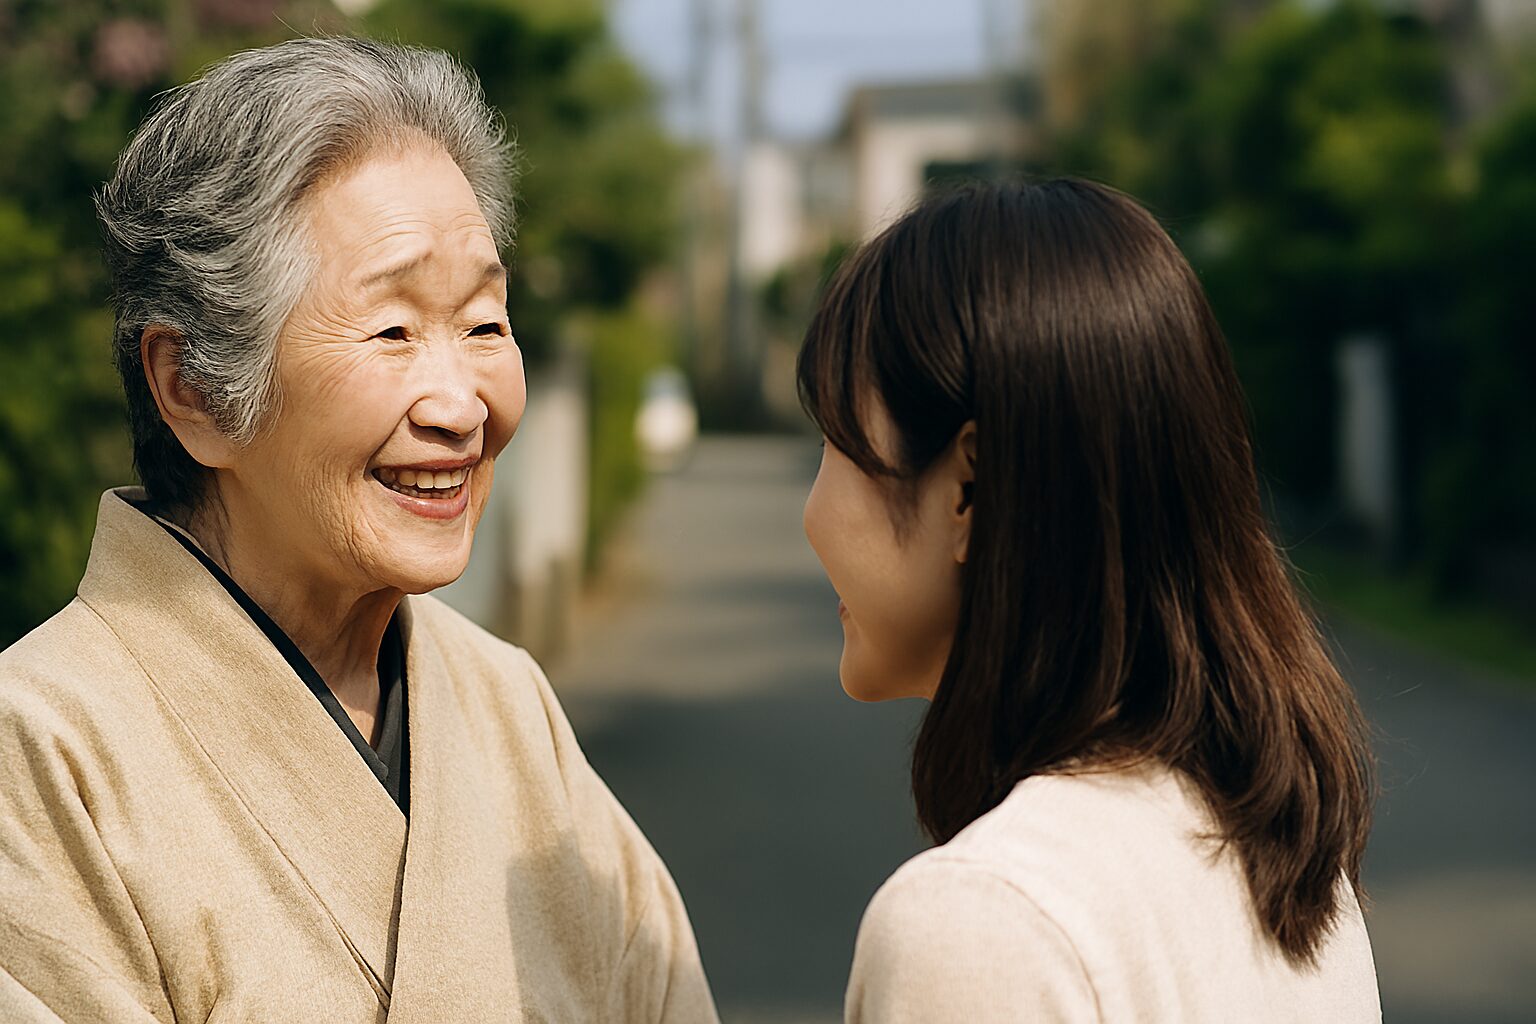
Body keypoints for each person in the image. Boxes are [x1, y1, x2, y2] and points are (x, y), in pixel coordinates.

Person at [0, 37, 717, 1023]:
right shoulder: (41, 750)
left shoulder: (507, 704)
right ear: (195, 389)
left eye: (483, 323)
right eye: (392, 330)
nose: (462, 405)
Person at [798, 179, 1381, 1022]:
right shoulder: (1293, 866)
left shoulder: (984, 921)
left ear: (969, 486)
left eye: (835, 444)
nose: (811, 515)